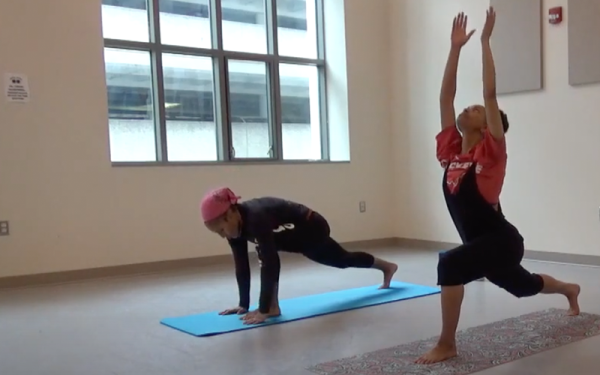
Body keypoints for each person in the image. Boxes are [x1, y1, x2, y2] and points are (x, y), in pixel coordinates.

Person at [415, 8, 581, 365]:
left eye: (475, 110)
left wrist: (486, 42)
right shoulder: (450, 151)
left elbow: (490, 93)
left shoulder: (490, 153)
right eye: (470, 107)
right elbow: (445, 98)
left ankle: (447, 343)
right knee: (523, 286)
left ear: (488, 125)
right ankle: (569, 289)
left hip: (503, 241)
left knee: (450, 265)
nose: (468, 109)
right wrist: (455, 48)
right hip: (484, 246)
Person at [200, 187, 399, 325]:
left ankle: (386, 267)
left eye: (222, 229)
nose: (223, 235)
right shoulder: (236, 228)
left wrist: (262, 309)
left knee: (342, 261)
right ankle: (388, 267)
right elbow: (241, 264)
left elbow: (269, 263)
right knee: (270, 251)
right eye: (218, 233)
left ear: (231, 214)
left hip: (312, 228)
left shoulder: (255, 218)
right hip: (287, 235)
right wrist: (243, 304)